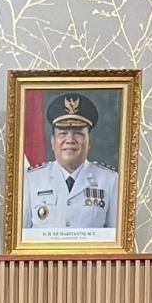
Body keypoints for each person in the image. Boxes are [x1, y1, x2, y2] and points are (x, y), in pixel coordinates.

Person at [22, 93, 118, 232]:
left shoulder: (110, 180)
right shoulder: (32, 179)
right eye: (62, 133)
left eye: (78, 133)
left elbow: (117, 238)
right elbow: (21, 236)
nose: (70, 139)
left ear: (89, 141)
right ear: (52, 142)